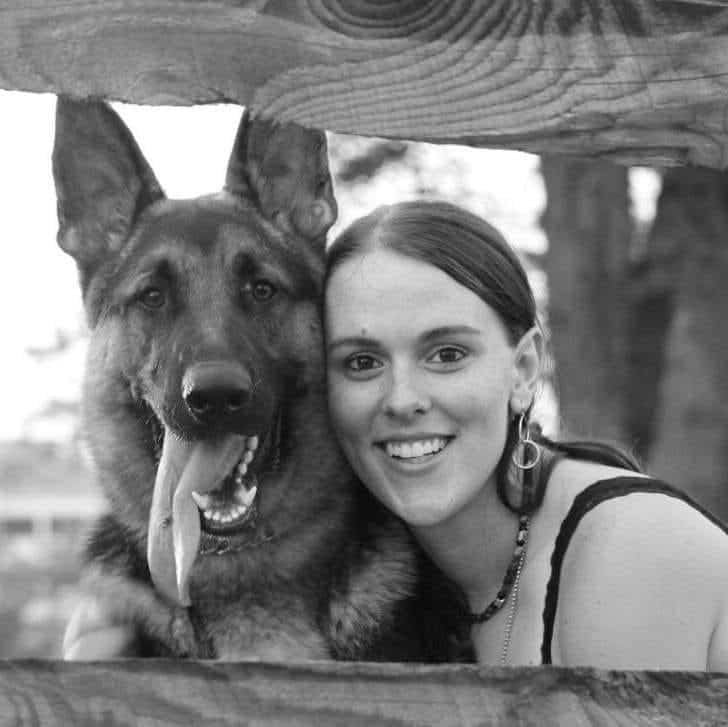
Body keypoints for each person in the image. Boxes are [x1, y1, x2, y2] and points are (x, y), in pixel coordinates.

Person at [323, 199, 728, 670]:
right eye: (362, 362)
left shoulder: (632, 550)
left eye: (447, 354)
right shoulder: (378, 578)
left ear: (523, 369)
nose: (401, 399)